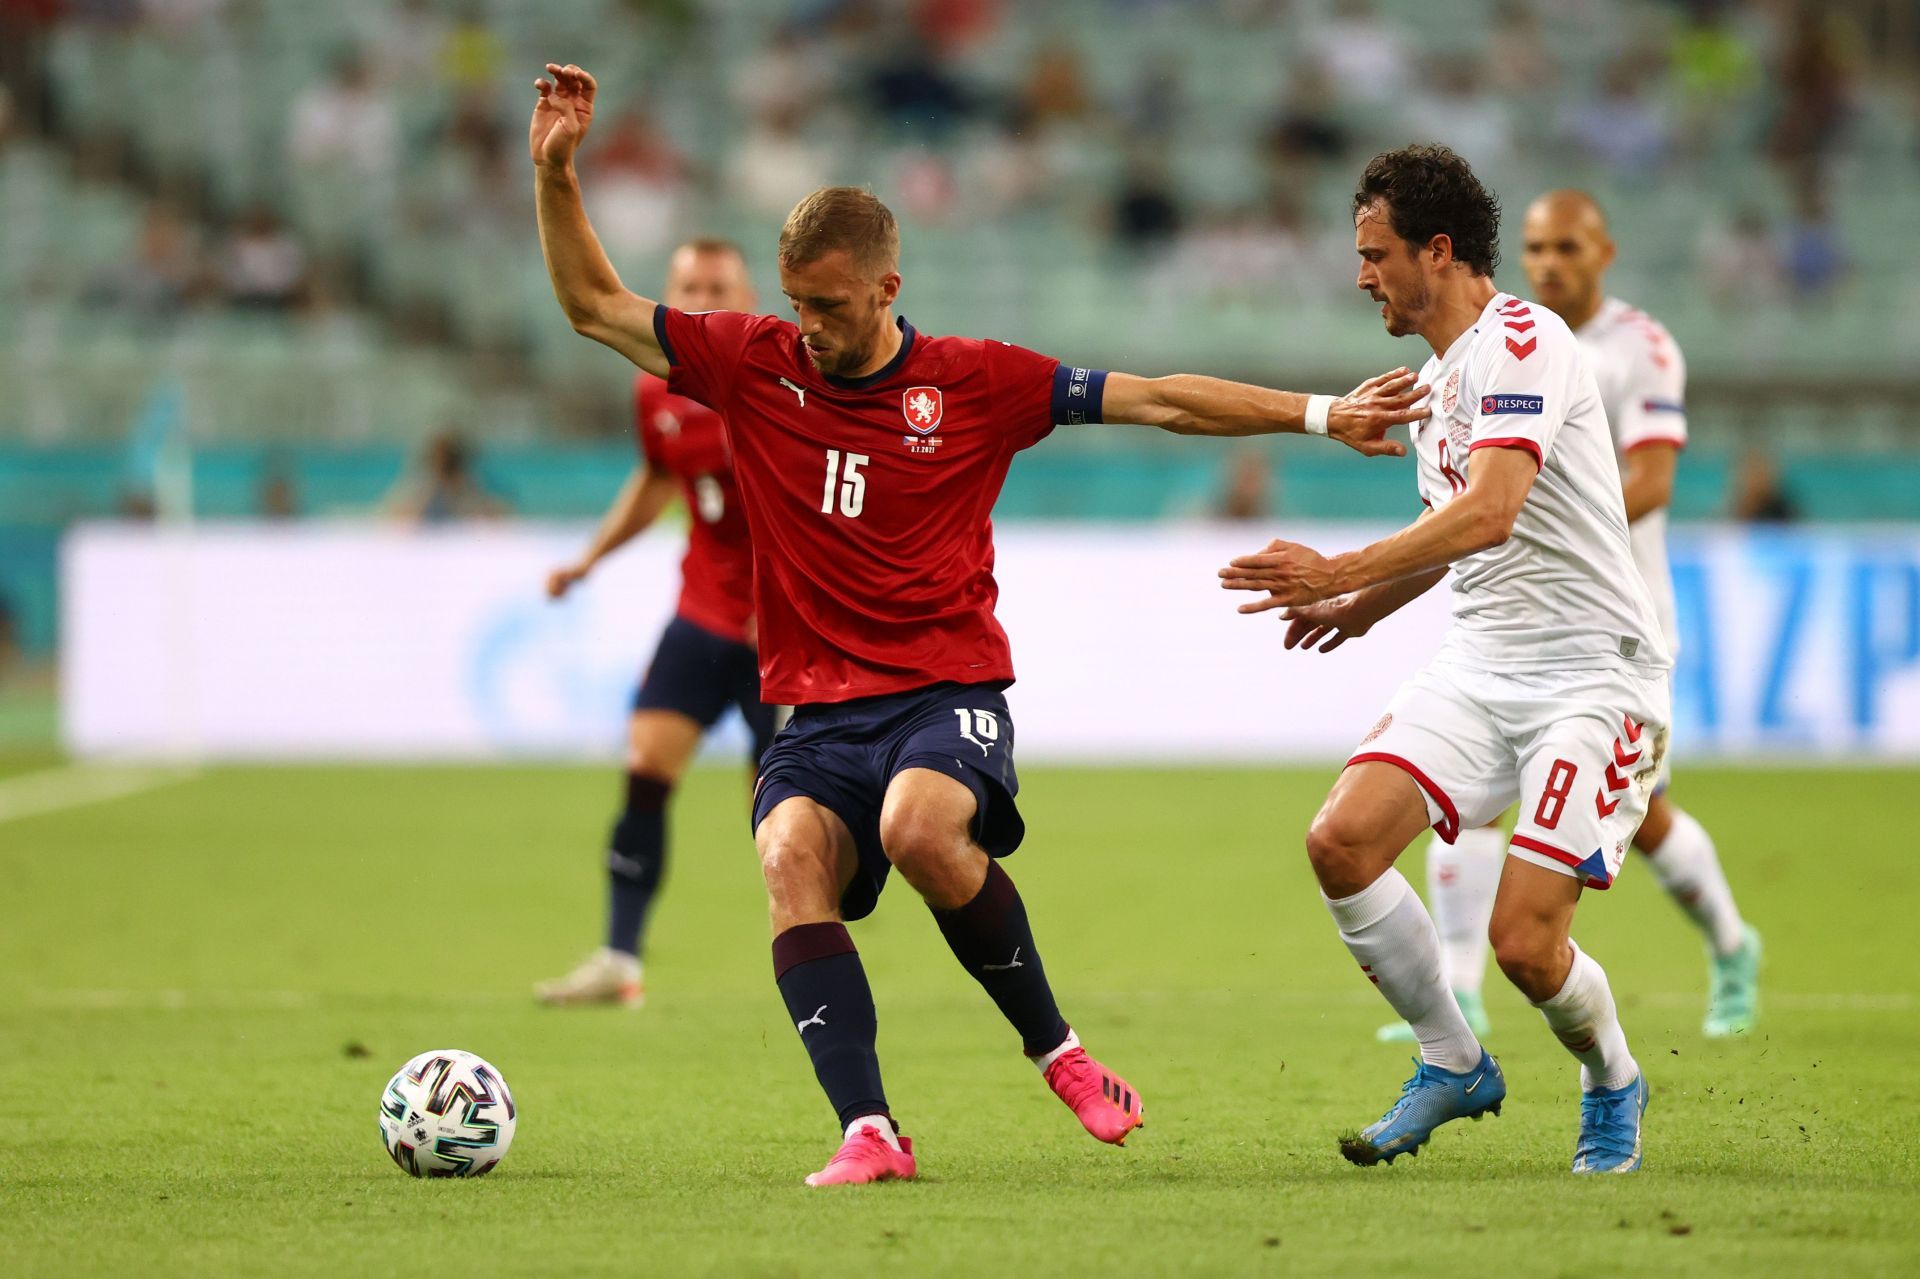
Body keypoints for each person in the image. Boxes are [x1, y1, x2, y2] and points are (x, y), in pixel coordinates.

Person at [530, 63, 1427, 1187]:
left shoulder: (974, 384)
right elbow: (592, 307)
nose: (806, 327)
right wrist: (557, 171)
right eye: (795, 302)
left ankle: (1059, 1052)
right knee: (787, 856)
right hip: (815, 706)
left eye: (831, 306)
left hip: (945, 690)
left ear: (888, 285)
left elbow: (1155, 397)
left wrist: (1318, 413)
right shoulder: (751, 362)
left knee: (917, 827)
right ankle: (868, 1129)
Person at [1221, 145, 1671, 1175]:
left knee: (1523, 945)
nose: (1362, 275)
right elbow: (1446, 532)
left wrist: (1341, 562)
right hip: (1480, 665)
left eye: (1375, 254)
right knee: (1340, 841)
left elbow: (1493, 511)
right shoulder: (1437, 381)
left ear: (1438, 249)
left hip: (1592, 679)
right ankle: (1452, 1060)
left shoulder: (1526, 341)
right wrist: (1361, 604)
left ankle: (1612, 1078)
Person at [1372, 190, 1760, 1048]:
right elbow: (1474, 504)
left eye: (1569, 247)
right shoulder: (1479, 354)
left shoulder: (1638, 349)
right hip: (1509, 626)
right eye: (1538, 247)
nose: (1551, 262)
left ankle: (1732, 945)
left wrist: (1541, 511)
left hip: (1614, 627)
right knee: (1463, 805)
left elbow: (1653, 479)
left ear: (1603, 253)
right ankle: (1461, 990)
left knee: (1647, 819)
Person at [534, 238, 778, 1009]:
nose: (703, 298)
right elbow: (658, 476)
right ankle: (619, 958)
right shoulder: (658, 389)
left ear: (749, 297)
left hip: (784, 632)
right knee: (645, 768)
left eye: (718, 285)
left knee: (782, 818)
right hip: (703, 613)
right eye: (688, 285)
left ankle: (808, 965)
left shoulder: (786, 383)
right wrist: (590, 558)